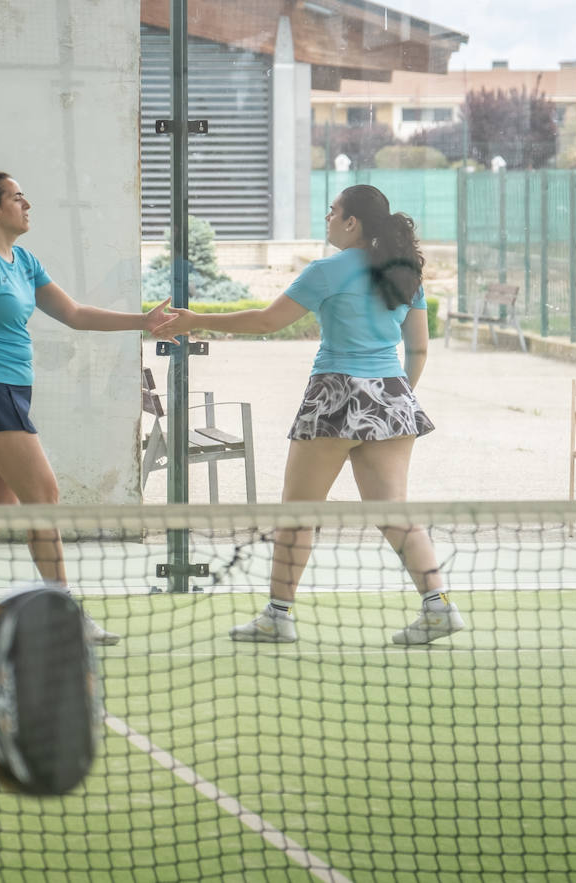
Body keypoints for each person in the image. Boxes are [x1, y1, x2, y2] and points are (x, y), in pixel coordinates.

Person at [163, 184, 465, 645]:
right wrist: (391, 404)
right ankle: (438, 606)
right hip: (393, 397)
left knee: (298, 512)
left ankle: (277, 616)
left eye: (332, 212)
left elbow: (266, 321)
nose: (326, 220)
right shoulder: (407, 273)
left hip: (335, 395)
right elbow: (419, 349)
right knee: (393, 514)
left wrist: (196, 320)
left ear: (352, 223)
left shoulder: (325, 271)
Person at [0, 171, 178, 645]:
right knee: (45, 499)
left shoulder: (23, 261)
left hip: (10, 391)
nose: (27, 205)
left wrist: (144, 322)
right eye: (17, 198)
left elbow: (74, 314)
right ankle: (63, 614)